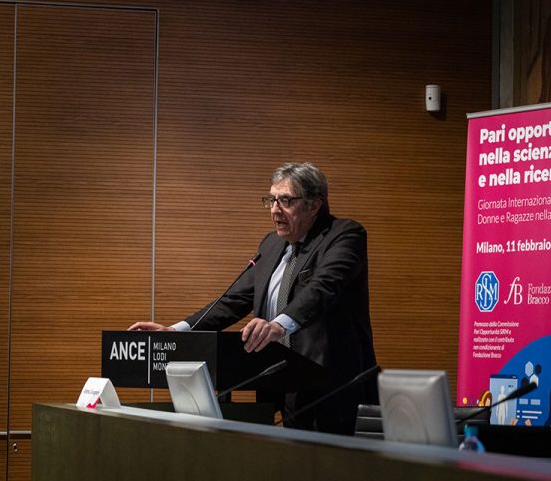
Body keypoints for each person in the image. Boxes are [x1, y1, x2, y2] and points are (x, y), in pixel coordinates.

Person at [128, 162, 378, 435]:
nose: (274, 209)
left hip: (328, 382)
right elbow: (233, 300)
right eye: (271, 200)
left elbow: (323, 288)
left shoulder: (344, 235)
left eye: (285, 201)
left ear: (314, 205)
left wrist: (278, 325)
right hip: (277, 379)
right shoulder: (271, 244)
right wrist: (178, 331)